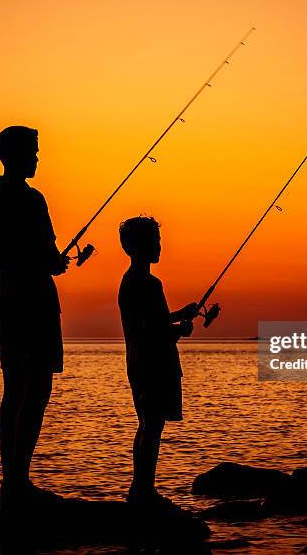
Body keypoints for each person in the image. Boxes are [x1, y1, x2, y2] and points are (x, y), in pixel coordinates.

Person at [0, 125, 69, 506]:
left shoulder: (27, 199)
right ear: (11, 154)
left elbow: (46, 252)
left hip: (31, 299)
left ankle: (17, 480)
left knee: (30, 388)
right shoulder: (3, 201)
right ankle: (14, 482)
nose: (36, 157)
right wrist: (44, 261)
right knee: (22, 388)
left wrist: (53, 261)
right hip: (22, 300)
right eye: (32, 151)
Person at [118, 216, 198, 506]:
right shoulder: (148, 283)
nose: (159, 246)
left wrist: (179, 315)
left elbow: (152, 322)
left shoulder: (131, 281)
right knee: (151, 427)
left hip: (139, 361)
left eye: (158, 240)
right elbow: (152, 330)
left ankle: (140, 489)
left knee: (147, 425)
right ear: (136, 246)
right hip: (154, 363)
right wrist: (181, 329)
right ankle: (143, 492)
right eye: (154, 241)